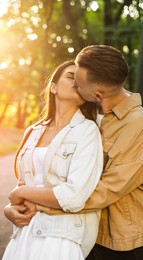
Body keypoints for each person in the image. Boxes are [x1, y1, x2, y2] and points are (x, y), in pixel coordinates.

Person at [4, 45, 143, 260]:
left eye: (77, 81)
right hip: (82, 233)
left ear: (96, 94)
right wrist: (15, 205)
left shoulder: (136, 123)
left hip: (122, 240)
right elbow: (37, 178)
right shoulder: (90, 116)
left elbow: (106, 190)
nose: (75, 83)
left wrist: (39, 205)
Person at [2, 60, 103, 260]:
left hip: (60, 236)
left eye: (80, 79)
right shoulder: (32, 132)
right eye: (70, 76)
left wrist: (22, 193)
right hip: (24, 233)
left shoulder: (88, 131)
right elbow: (21, 185)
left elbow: (74, 196)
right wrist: (9, 210)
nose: (76, 81)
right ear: (54, 87)